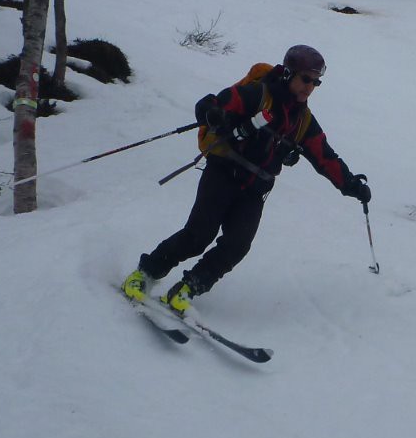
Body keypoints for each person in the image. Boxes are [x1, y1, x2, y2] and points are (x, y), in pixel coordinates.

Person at [123, 45, 371, 313]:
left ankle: (187, 289)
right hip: (223, 174)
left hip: (255, 190)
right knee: (198, 236)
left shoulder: (303, 122)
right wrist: (211, 112)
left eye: (315, 82)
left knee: (237, 245)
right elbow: (214, 103)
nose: (309, 87)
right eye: (305, 79)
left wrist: (351, 185)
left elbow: (325, 158)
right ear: (288, 74)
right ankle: (146, 273)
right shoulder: (258, 95)